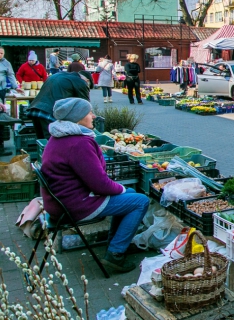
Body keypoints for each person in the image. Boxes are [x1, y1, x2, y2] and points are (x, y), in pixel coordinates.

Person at [41, 98, 149, 273]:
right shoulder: (79, 143)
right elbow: (100, 185)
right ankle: (115, 253)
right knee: (140, 201)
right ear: (77, 118)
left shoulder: (59, 136)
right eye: (89, 112)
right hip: (74, 205)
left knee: (129, 193)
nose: (93, 115)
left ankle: (116, 244)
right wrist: (119, 189)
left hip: (60, 202)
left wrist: (122, 191)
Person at [27, 71, 93, 140]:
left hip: (35, 109)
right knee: (52, 141)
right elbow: (85, 106)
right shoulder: (81, 82)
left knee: (42, 141)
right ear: (87, 81)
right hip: (49, 113)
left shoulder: (58, 74)